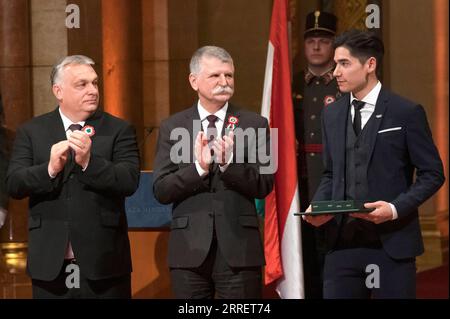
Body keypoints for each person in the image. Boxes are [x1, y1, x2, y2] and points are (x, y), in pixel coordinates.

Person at [303, 30, 445, 298]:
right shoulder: (331, 114)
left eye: (344, 63)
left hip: (392, 244)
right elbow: (331, 173)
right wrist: (319, 206)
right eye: (335, 64)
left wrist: (394, 209)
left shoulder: (406, 112)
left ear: (370, 65)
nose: (335, 72)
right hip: (341, 246)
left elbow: (433, 174)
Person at [6, 55, 140, 298]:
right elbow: (14, 183)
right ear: (58, 91)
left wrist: (89, 162)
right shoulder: (32, 131)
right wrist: (49, 169)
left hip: (104, 263)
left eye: (95, 83)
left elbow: (129, 180)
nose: (92, 90)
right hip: (50, 263)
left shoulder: (119, 129)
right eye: (82, 84)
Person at [153, 46, 273, 299]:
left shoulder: (255, 124)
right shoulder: (172, 126)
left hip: (240, 250)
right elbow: (161, 190)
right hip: (189, 251)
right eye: (215, 76)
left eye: (229, 76)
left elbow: (264, 184)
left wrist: (229, 165)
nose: (224, 82)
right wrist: (199, 169)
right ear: (194, 81)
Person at [292, 10, 339, 298]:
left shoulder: (344, 84)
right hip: (301, 179)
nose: (317, 46)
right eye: (312, 41)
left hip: (333, 177)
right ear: (303, 45)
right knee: (304, 251)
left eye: (324, 40)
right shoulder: (293, 84)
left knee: (331, 250)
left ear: (334, 44)